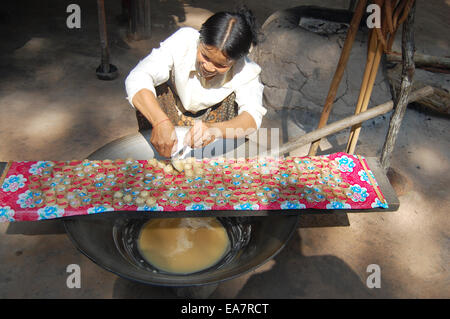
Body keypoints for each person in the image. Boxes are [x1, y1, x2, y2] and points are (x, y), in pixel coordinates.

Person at [125, 6, 267, 158]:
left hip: (212, 131)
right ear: (200, 40)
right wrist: (160, 121)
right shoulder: (184, 41)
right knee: (149, 86)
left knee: (235, 105)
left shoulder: (246, 69)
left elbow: (252, 117)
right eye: (205, 56)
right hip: (168, 117)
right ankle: (160, 147)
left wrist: (214, 130)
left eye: (221, 65)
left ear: (235, 61)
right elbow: (138, 76)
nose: (208, 67)